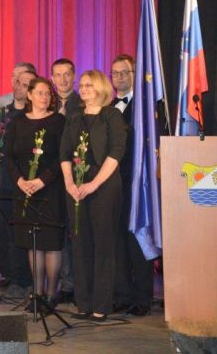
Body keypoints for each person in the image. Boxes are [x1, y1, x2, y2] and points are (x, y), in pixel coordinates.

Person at [60, 70, 127, 322]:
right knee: (80, 244)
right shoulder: (74, 117)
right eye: (82, 85)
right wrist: (69, 183)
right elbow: (64, 153)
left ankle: (101, 305)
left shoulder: (112, 115)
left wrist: (93, 184)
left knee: (103, 245)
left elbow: (116, 152)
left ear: (100, 87)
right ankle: (84, 304)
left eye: (89, 85)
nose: (84, 88)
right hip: (76, 188)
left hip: (104, 187)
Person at [5, 77, 66, 308]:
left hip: (50, 189)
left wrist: (42, 180)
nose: (44, 97)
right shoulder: (17, 122)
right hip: (25, 190)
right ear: (29, 95)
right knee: (33, 242)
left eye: (48, 93)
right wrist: (20, 181)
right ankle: (37, 295)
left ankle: (51, 296)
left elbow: (62, 156)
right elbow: (9, 156)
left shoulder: (58, 121)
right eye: (40, 92)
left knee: (51, 242)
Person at [109, 54, 154, 317]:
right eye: (115, 73)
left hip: (138, 183)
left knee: (138, 240)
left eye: (124, 72)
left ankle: (142, 298)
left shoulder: (145, 106)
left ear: (135, 74)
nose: (119, 77)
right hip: (112, 184)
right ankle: (122, 295)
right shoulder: (109, 107)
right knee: (117, 241)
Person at [0, 66, 36, 298]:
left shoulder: (34, 114)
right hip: (4, 178)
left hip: (28, 178)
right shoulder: (2, 112)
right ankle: (8, 275)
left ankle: (24, 279)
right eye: (18, 82)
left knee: (22, 229)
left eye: (26, 84)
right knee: (3, 229)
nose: (20, 87)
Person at [50, 57, 80, 303]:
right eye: (58, 75)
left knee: (76, 231)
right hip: (50, 178)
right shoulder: (44, 101)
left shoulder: (83, 102)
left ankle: (79, 285)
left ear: (74, 76)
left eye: (67, 74)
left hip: (77, 176)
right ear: (52, 79)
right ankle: (63, 284)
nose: (63, 79)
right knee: (57, 233)